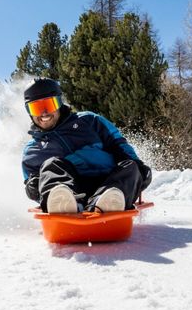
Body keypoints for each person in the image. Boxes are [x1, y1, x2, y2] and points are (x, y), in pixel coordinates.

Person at [22, 78, 152, 214]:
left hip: (109, 182)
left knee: (130, 166)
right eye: (36, 108)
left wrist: (139, 167)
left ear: (59, 102)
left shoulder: (89, 120)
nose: (44, 113)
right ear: (29, 111)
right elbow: (33, 184)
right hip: (70, 191)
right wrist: (33, 188)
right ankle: (64, 204)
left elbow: (118, 144)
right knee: (52, 164)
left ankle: (108, 202)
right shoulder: (33, 150)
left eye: (49, 105)